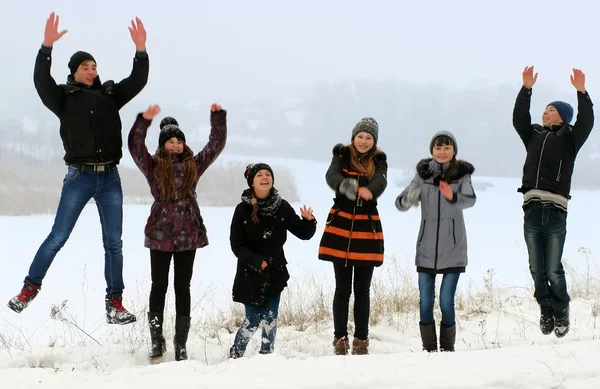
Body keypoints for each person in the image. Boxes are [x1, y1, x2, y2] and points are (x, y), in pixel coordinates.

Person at [7, 12, 149, 324]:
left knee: (114, 243)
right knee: (58, 236)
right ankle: (28, 290)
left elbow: (137, 81)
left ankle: (115, 304)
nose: (92, 71)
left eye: (95, 66)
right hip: (79, 178)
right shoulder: (63, 98)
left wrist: (140, 51)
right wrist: (46, 47)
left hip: (110, 178)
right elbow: (40, 81)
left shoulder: (110, 96)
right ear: (74, 71)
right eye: (85, 67)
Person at [128, 103, 227, 361]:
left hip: (188, 233)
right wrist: (143, 122)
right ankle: (156, 339)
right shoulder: (153, 166)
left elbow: (214, 146)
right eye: (170, 141)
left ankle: (180, 342)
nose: (175, 145)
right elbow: (135, 146)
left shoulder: (194, 165)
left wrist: (217, 120)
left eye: (179, 141)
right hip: (161, 232)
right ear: (162, 145)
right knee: (158, 285)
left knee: (183, 286)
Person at [513, 66, 594, 338]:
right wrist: (526, 89)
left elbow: (587, 122)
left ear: (562, 118)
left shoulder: (570, 139)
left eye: (550, 109)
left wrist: (582, 92)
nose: (545, 112)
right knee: (536, 268)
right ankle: (545, 308)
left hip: (556, 211)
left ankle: (561, 310)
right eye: (544, 108)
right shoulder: (533, 134)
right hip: (532, 209)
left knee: (553, 268)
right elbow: (518, 120)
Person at [396, 131, 476, 352]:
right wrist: (409, 198)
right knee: (425, 304)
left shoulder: (462, 175)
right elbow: (400, 203)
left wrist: (452, 195)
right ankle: (429, 350)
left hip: (454, 247)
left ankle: (448, 349)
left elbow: (470, 200)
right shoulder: (422, 175)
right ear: (432, 150)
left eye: (447, 148)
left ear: (454, 151)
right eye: (438, 148)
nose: (442, 152)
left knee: (446, 301)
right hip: (426, 248)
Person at [229, 163, 317, 358]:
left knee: (270, 318)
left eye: (268, 174)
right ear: (252, 182)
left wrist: (309, 221)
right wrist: (256, 261)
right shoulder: (242, 209)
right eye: (259, 174)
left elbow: (303, 233)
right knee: (252, 319)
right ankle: (236, 353)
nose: (264, 177)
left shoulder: (282, 206)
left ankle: (266, 357)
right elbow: (236, 244)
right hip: (249, 273)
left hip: (275, 271)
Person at [318, 118, 387, 356]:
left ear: (374, 141)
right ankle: (340, 338)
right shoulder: (341, 155)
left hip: (367, 228)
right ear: (354, 137)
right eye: (361, 136)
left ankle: (361, 339)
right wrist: (348, 186)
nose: (364, 141)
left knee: (363, 289)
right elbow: (331, 176)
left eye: (369, 138)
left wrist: (371, 190)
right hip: (342, 226)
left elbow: (381, 181)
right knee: (342, 288)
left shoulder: (379, 160)